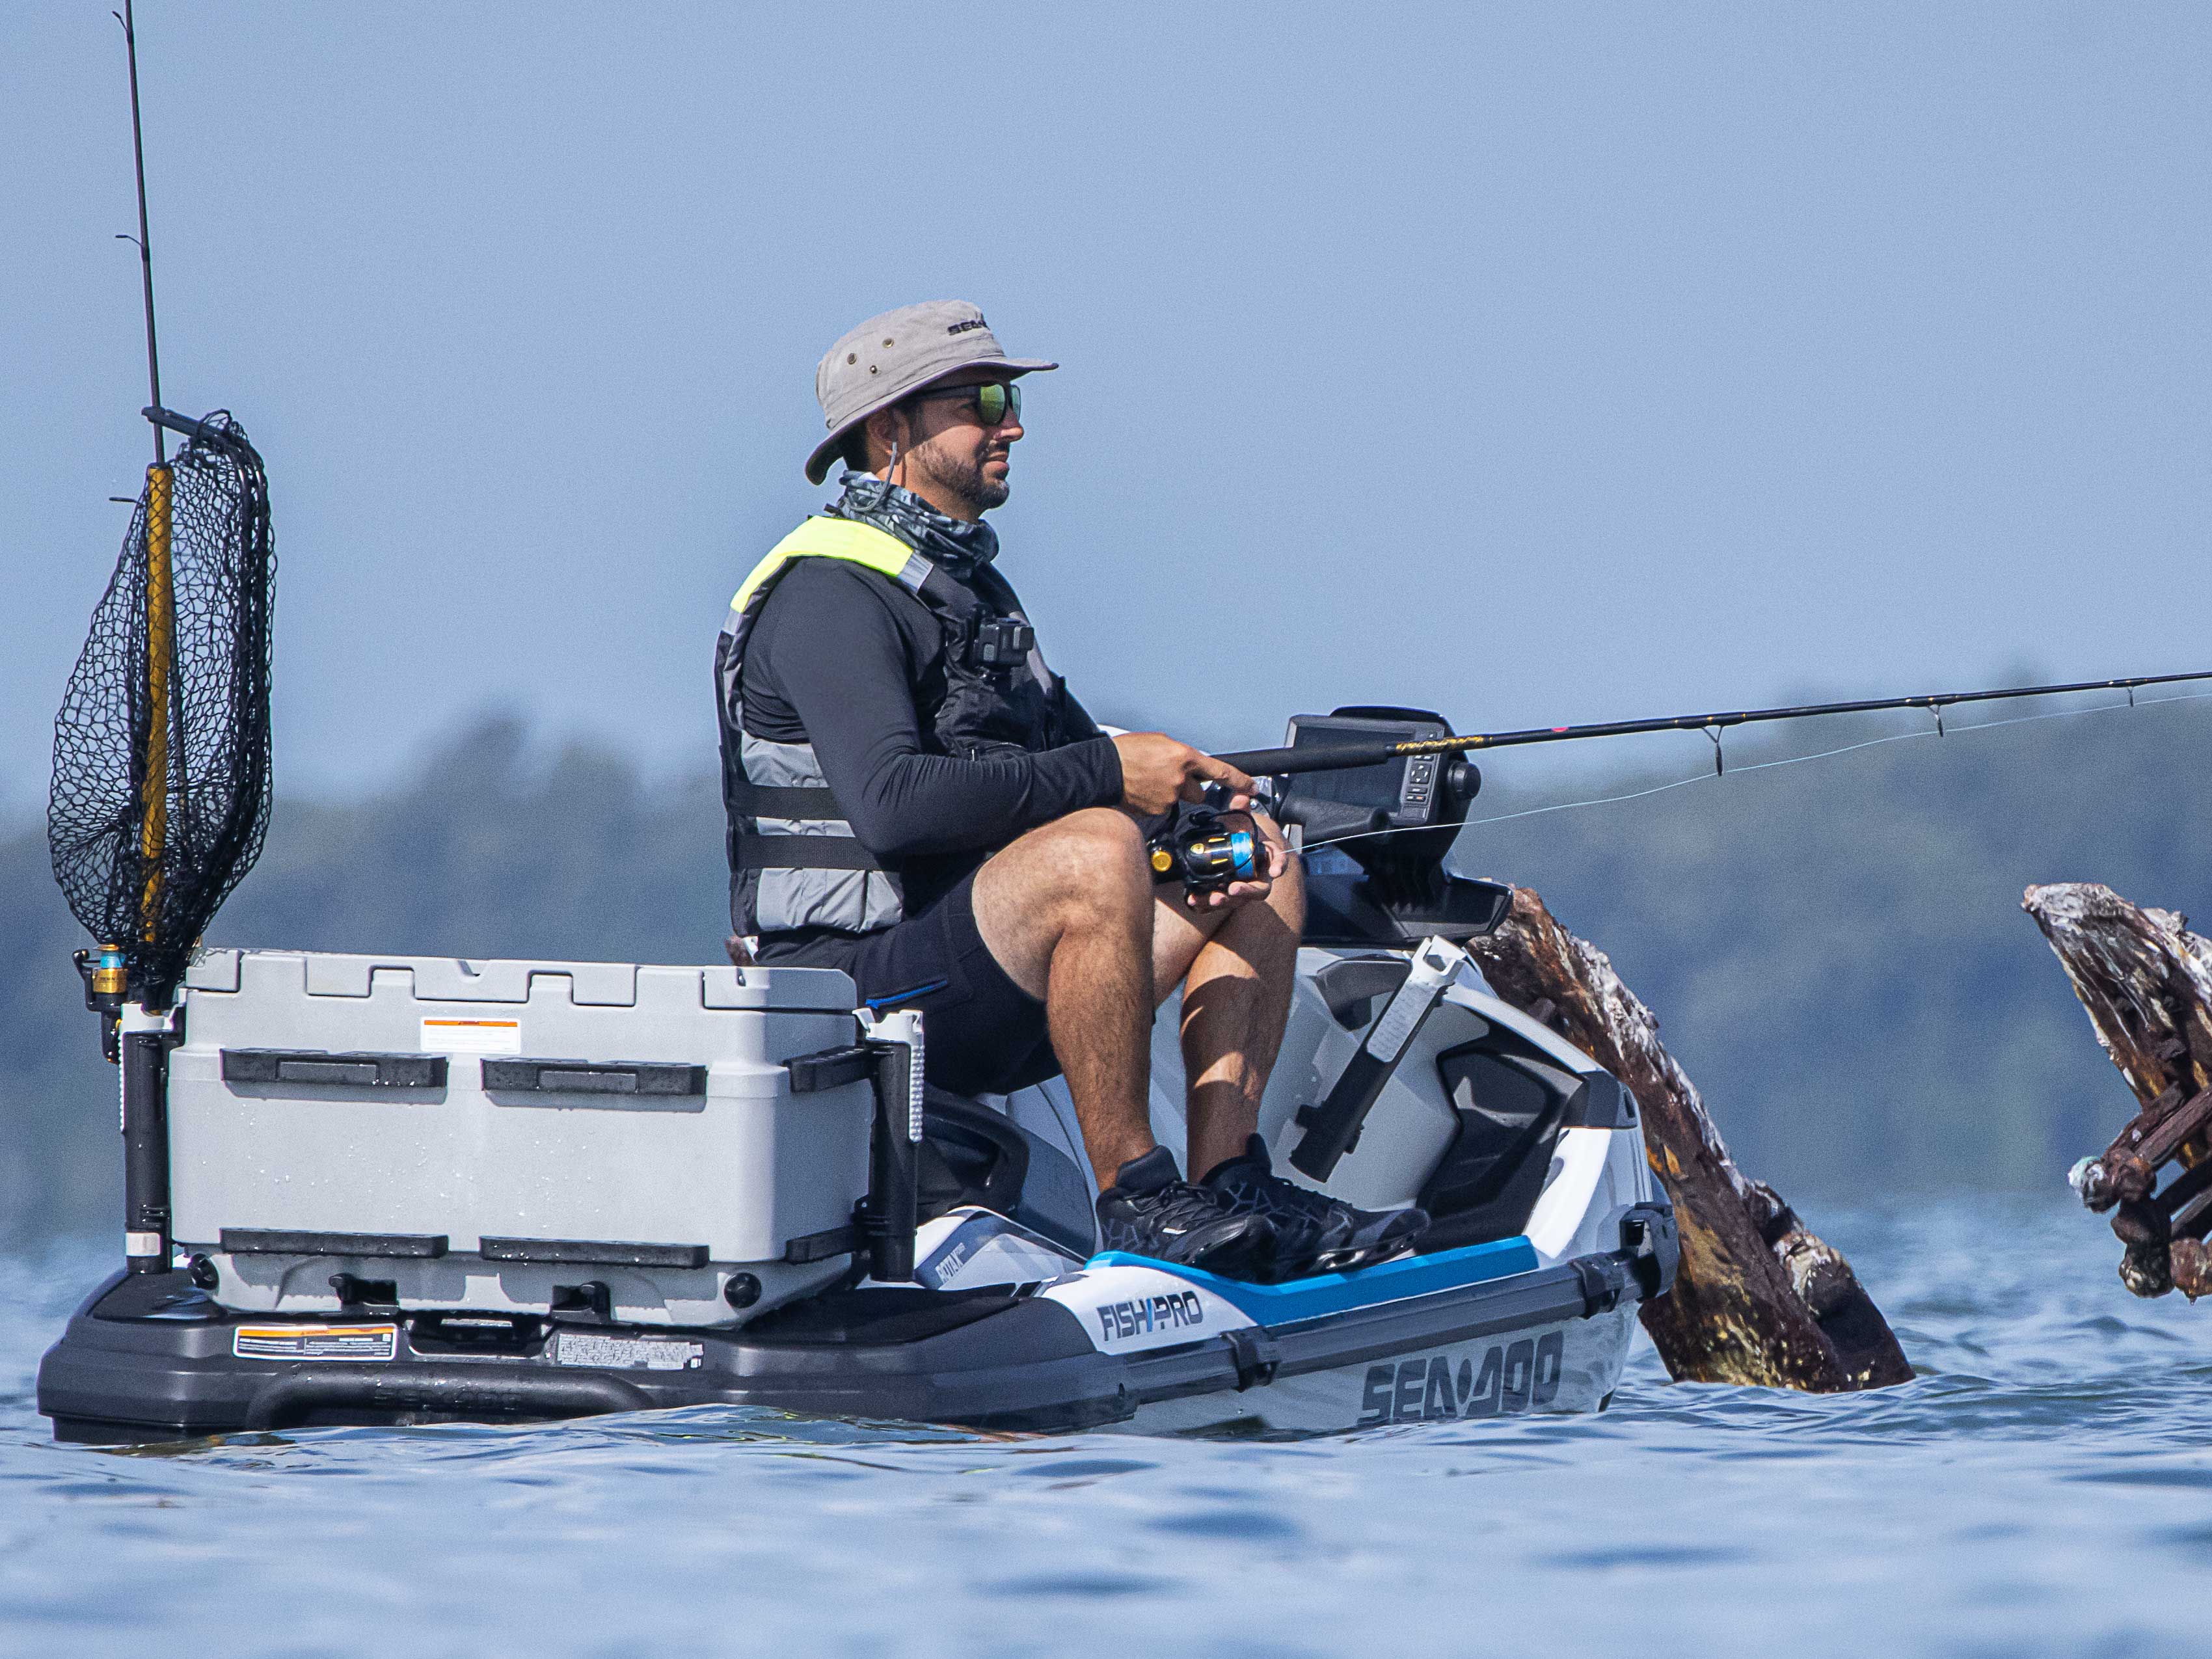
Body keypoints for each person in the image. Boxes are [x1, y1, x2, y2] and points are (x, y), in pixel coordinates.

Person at [715, 300, 1425, 1282]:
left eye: (1009, 400)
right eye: (984, 403)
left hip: (984, 970)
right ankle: (1136, 1197)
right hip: (858, 991)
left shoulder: (968, 590)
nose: (1013, 424)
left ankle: (1230, 1182)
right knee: (1096, 851)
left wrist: (1186, 797)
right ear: (890, 434)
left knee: (1251, 853)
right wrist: (1110, 775)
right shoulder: (827, 596)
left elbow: (1073, 757)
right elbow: (893, 804)